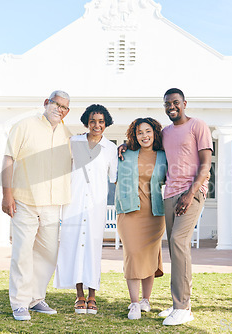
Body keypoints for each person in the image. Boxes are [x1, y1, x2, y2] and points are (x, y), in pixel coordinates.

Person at [118, 88, 212, 326]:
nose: (172, 106)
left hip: (190, 193)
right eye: (167, 104)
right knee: (174, 247)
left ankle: (183, 307)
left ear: (184, 103)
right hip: (169, 195)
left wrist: (191, 193)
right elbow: (145, 147)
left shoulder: (197, 126)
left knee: (180, 243)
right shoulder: (166, 133)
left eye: (176, 102)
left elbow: (205, 164)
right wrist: (124, 145)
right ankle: (177, 303)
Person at [2, 90, 72, 321]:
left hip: (53, 204)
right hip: (24, 200)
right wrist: (7, 194)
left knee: (48, 254)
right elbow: (8, 159)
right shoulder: (24, 126)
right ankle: (20, 303)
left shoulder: (66, 133)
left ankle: (35, 298)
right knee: (22, 253)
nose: (59, 109)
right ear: (46, 103)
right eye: (56, 104)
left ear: (67, 112)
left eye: (64, 107)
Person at [54, 104, 118, 315]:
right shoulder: (74, 142)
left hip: (95, 207)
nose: (97, 125)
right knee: (73, 247)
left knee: (92, 250)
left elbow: (114, 178)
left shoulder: (110, 148)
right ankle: (79, 295)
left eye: (100, 121)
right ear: (86, 122)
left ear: (106, 122)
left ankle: (92, 296)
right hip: (73, 204)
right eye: (93, 121)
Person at [115, 117, 167, 320]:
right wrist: (122, 145)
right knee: (133, 254)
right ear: (134, 136)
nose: (144, 135)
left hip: (154, 214)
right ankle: (134, 303)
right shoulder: (125, 153)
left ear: (154, 132)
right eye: (139, 132)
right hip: (128, 212)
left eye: (148, 131)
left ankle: (146, 300)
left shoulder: (163, 156)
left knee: (149, 255)